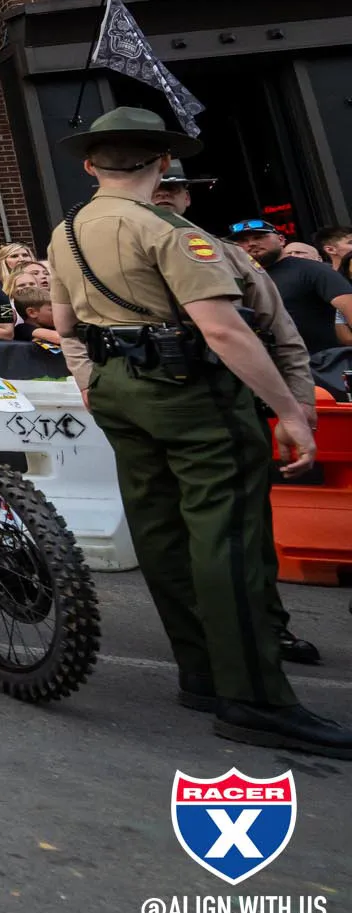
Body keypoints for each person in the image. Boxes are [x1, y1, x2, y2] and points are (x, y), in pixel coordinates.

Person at [47, 107, 345, 757]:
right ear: (159, 166)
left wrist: (90, 383)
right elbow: (224, 329)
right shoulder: (172, 232)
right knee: (227, 530)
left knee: (159, 528)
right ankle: (254, 696)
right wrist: (293, 413)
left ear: (92, 165)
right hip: (188, 390)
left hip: (118, 385)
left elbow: (66, 325)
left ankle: (204, 671)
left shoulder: (66, 231)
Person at [153, 169, 322, 667]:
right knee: (165, 527)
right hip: (152, 401)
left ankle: (264, 627)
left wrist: (300, 404)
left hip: (224, 398)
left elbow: (278, 329)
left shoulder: (223, 253)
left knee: (242, 527)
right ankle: (199, 643)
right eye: (156, 184)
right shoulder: (105, 250)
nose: (163, 193)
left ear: (186, 197)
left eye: (173, 187)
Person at [230, 220, 352, 357]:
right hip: (270, 365)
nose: (251, 244)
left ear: (281, 240)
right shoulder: (240, 279)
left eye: (259, 237)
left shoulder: (312, 270)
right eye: (243, 241)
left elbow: (348, 306)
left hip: (322, 364)